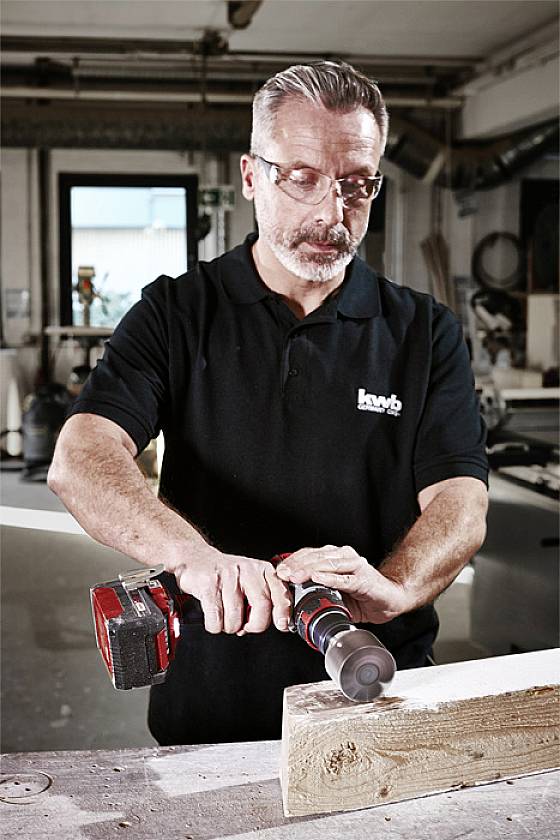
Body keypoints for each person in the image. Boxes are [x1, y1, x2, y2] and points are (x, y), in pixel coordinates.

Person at [48, 60, 488, 746]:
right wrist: (192, 557)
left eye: (356, 185)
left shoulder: (424, 332)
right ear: (251, 175)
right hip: (211, 700)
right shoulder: (175, 312)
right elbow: (81, 457)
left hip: (377, 692)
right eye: (302, 177)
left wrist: (394, 586)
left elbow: (461, 499)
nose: (330, 213)